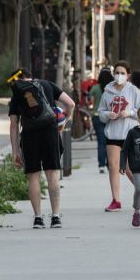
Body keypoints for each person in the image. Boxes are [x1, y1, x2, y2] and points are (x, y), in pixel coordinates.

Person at [8, 68, 75, 229]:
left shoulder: (17, 93)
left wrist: (15, 151)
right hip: (50, 132)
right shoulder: (47, 84)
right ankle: (56, 217)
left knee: (33, 176)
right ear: (31, 75)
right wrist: (66, 120)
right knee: (52, 174)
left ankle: (38, 218)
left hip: (30, 135)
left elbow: (13, 125)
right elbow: (71, 103)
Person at [98, 61, 140, 212]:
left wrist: (130, 113)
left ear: (128, 75)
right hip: (112, 133)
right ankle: (116, 200)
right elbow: (101, 111)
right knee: (113, 166)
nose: (119, 76)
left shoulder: (133, 90)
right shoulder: (107, 91)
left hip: (129, 133)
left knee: (128, 167)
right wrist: (108, 114)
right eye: (117, 72)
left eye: (122, 73)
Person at [89, 68, 114, 173]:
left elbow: (91, 102)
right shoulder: (112, 89)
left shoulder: (94, 88)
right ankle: (110, 164)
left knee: (101, 142)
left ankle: (101, 165)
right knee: (110, 141)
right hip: (110, 117)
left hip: (97, 116)